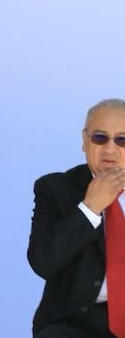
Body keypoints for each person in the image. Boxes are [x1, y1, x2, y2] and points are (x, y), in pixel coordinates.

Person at [29, 98, 125, 337]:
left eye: (122, 140)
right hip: (75, 324)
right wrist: (90, 208)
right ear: (85, 140)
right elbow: (44, 262)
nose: (110, 149)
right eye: (100, 138)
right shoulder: (55, 188)